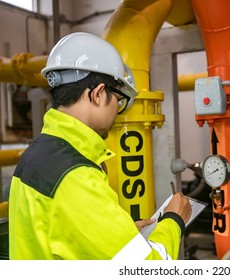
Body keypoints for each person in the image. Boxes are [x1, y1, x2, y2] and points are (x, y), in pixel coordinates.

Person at [8, 32, 192, 260]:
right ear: (97, 94)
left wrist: (119, 235)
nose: (118, 110)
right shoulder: (76, 176)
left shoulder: (36, 154)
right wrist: (174, 220)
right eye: (119, 100)